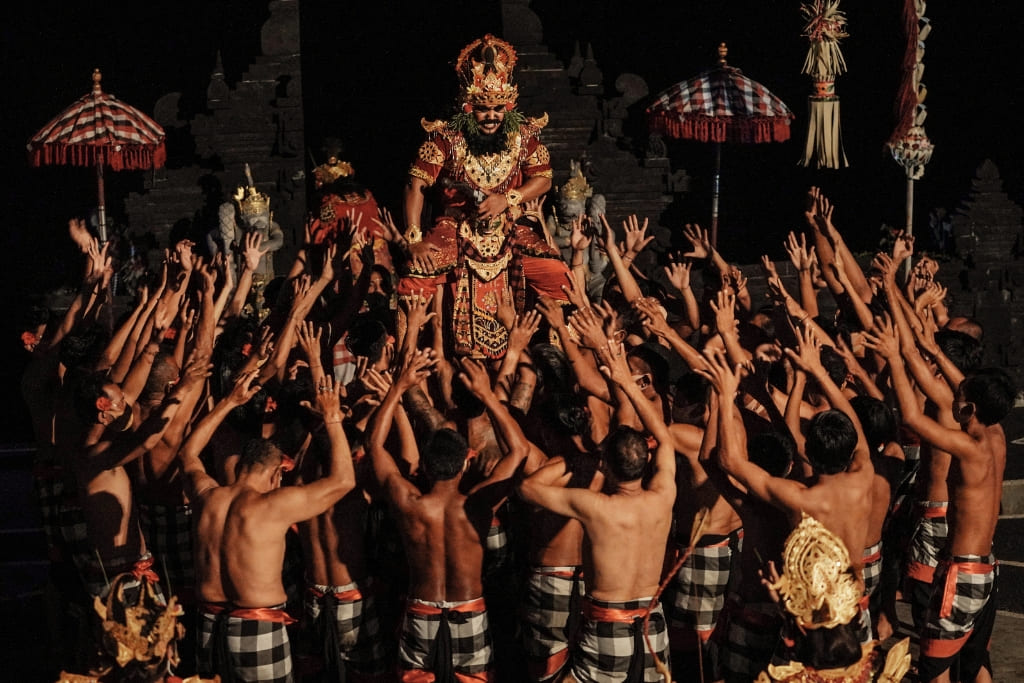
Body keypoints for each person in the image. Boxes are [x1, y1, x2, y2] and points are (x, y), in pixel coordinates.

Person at [179, 370, 357, 683]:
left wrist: (228, 402)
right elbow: (344, 480)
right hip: (256, 626)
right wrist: (332, 418)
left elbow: (188, 453)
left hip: (208, 623)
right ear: (276, 474)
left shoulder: (208, 496)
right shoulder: (273, 505)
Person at [865, 318, 1015, 683]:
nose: (953, 396)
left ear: (970, 409)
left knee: (935, 671)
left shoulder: (969, 448)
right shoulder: (995, 434)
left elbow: (914, 415)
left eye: (960, 397)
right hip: (987, 569)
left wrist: (895, 360)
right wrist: (931, 351)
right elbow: (960, 385)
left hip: (961, 574)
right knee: (977, 663)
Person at [368, 350, 533, 681]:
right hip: (469, 611)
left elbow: (374, 446)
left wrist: (398, 388)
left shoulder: (410, 502)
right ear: (466, 462)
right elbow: (520, 450)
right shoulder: (478, 506)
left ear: (425, 466)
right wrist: (487, 395)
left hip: (421, 610)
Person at [519, 337, 676, 683]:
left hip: (610, 624)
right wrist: (623, 381)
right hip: (654, 625)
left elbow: (528, 488)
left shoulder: (596, 507)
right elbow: (663, 437)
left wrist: (584, 459)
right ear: (646, 460)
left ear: (607, 464)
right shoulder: (663, 496)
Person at [399, 178, 569, 360]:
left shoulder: (522, 147)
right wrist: (414, 240)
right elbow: (415, 182)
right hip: (456, 224)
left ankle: (559, 363)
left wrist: (507, 199)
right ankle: (402, 362)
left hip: (505, 224)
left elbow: (544, 180)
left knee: (560, 275)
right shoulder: (448, 147)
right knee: (415, 272)